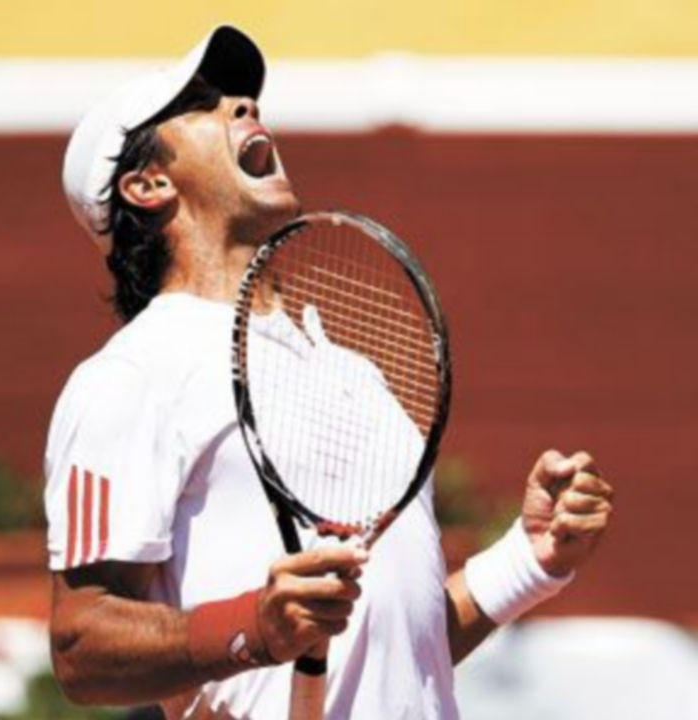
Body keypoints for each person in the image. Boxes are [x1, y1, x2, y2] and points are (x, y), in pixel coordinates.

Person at [44, 25, 614, 720]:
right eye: (200, 103)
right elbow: (81, 644)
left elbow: (404, 650)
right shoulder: (131, 375)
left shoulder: (354, 373)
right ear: (147, 183)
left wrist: (531, 558)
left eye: (241, 97)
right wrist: (255, 625)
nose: (244, 106)